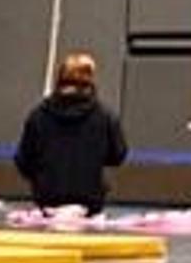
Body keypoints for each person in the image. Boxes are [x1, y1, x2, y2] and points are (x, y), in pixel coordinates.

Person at [14, 49, 128, 216]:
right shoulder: (105, 116)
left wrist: (42, 176)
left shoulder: (38, 115)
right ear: (90, 79)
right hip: (90, 202)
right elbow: (118, 155)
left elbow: (23, 160)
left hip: (47, 201)